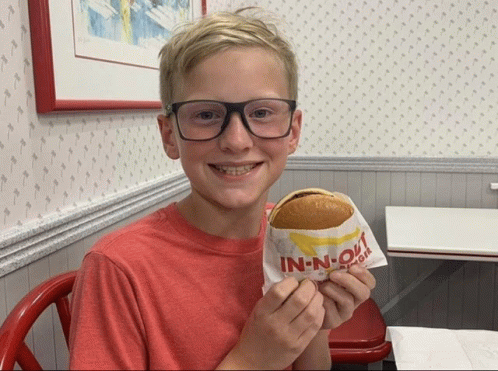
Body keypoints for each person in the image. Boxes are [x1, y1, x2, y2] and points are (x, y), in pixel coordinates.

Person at [69, 8, 376, 370]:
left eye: (261, 113)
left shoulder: (296, 239)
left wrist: (314, 328)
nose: (236, 140)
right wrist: (250, 361)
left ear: (293, 131)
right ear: (170, 135)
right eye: (206, 115)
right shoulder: (119, 269)